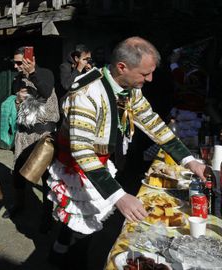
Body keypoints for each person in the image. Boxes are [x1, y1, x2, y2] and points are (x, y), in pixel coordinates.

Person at [47, 36, 206, 266]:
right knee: (82, 225)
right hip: (78, 167)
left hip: (96, 162)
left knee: (81, 223)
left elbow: (153, 123)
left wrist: (189, 161)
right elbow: (82, 152)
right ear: (122, 67)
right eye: (144, 74)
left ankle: (58, 255)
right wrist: (119, 196)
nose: (150, 79)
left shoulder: (128, 87)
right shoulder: (86, 93)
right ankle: (65, 259)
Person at [2, 46, 60, 228]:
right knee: (18, 171)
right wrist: (18, 99)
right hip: (23, 133)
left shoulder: (45, 74)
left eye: (21, 62)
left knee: (46, 174)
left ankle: (47, 214)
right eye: (15, 63)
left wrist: (33, 73)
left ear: (31, 59)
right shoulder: (17, 80)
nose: (17, 66)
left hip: (43, 134)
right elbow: (18, 105)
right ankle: (19, 204)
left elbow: (45, 92)